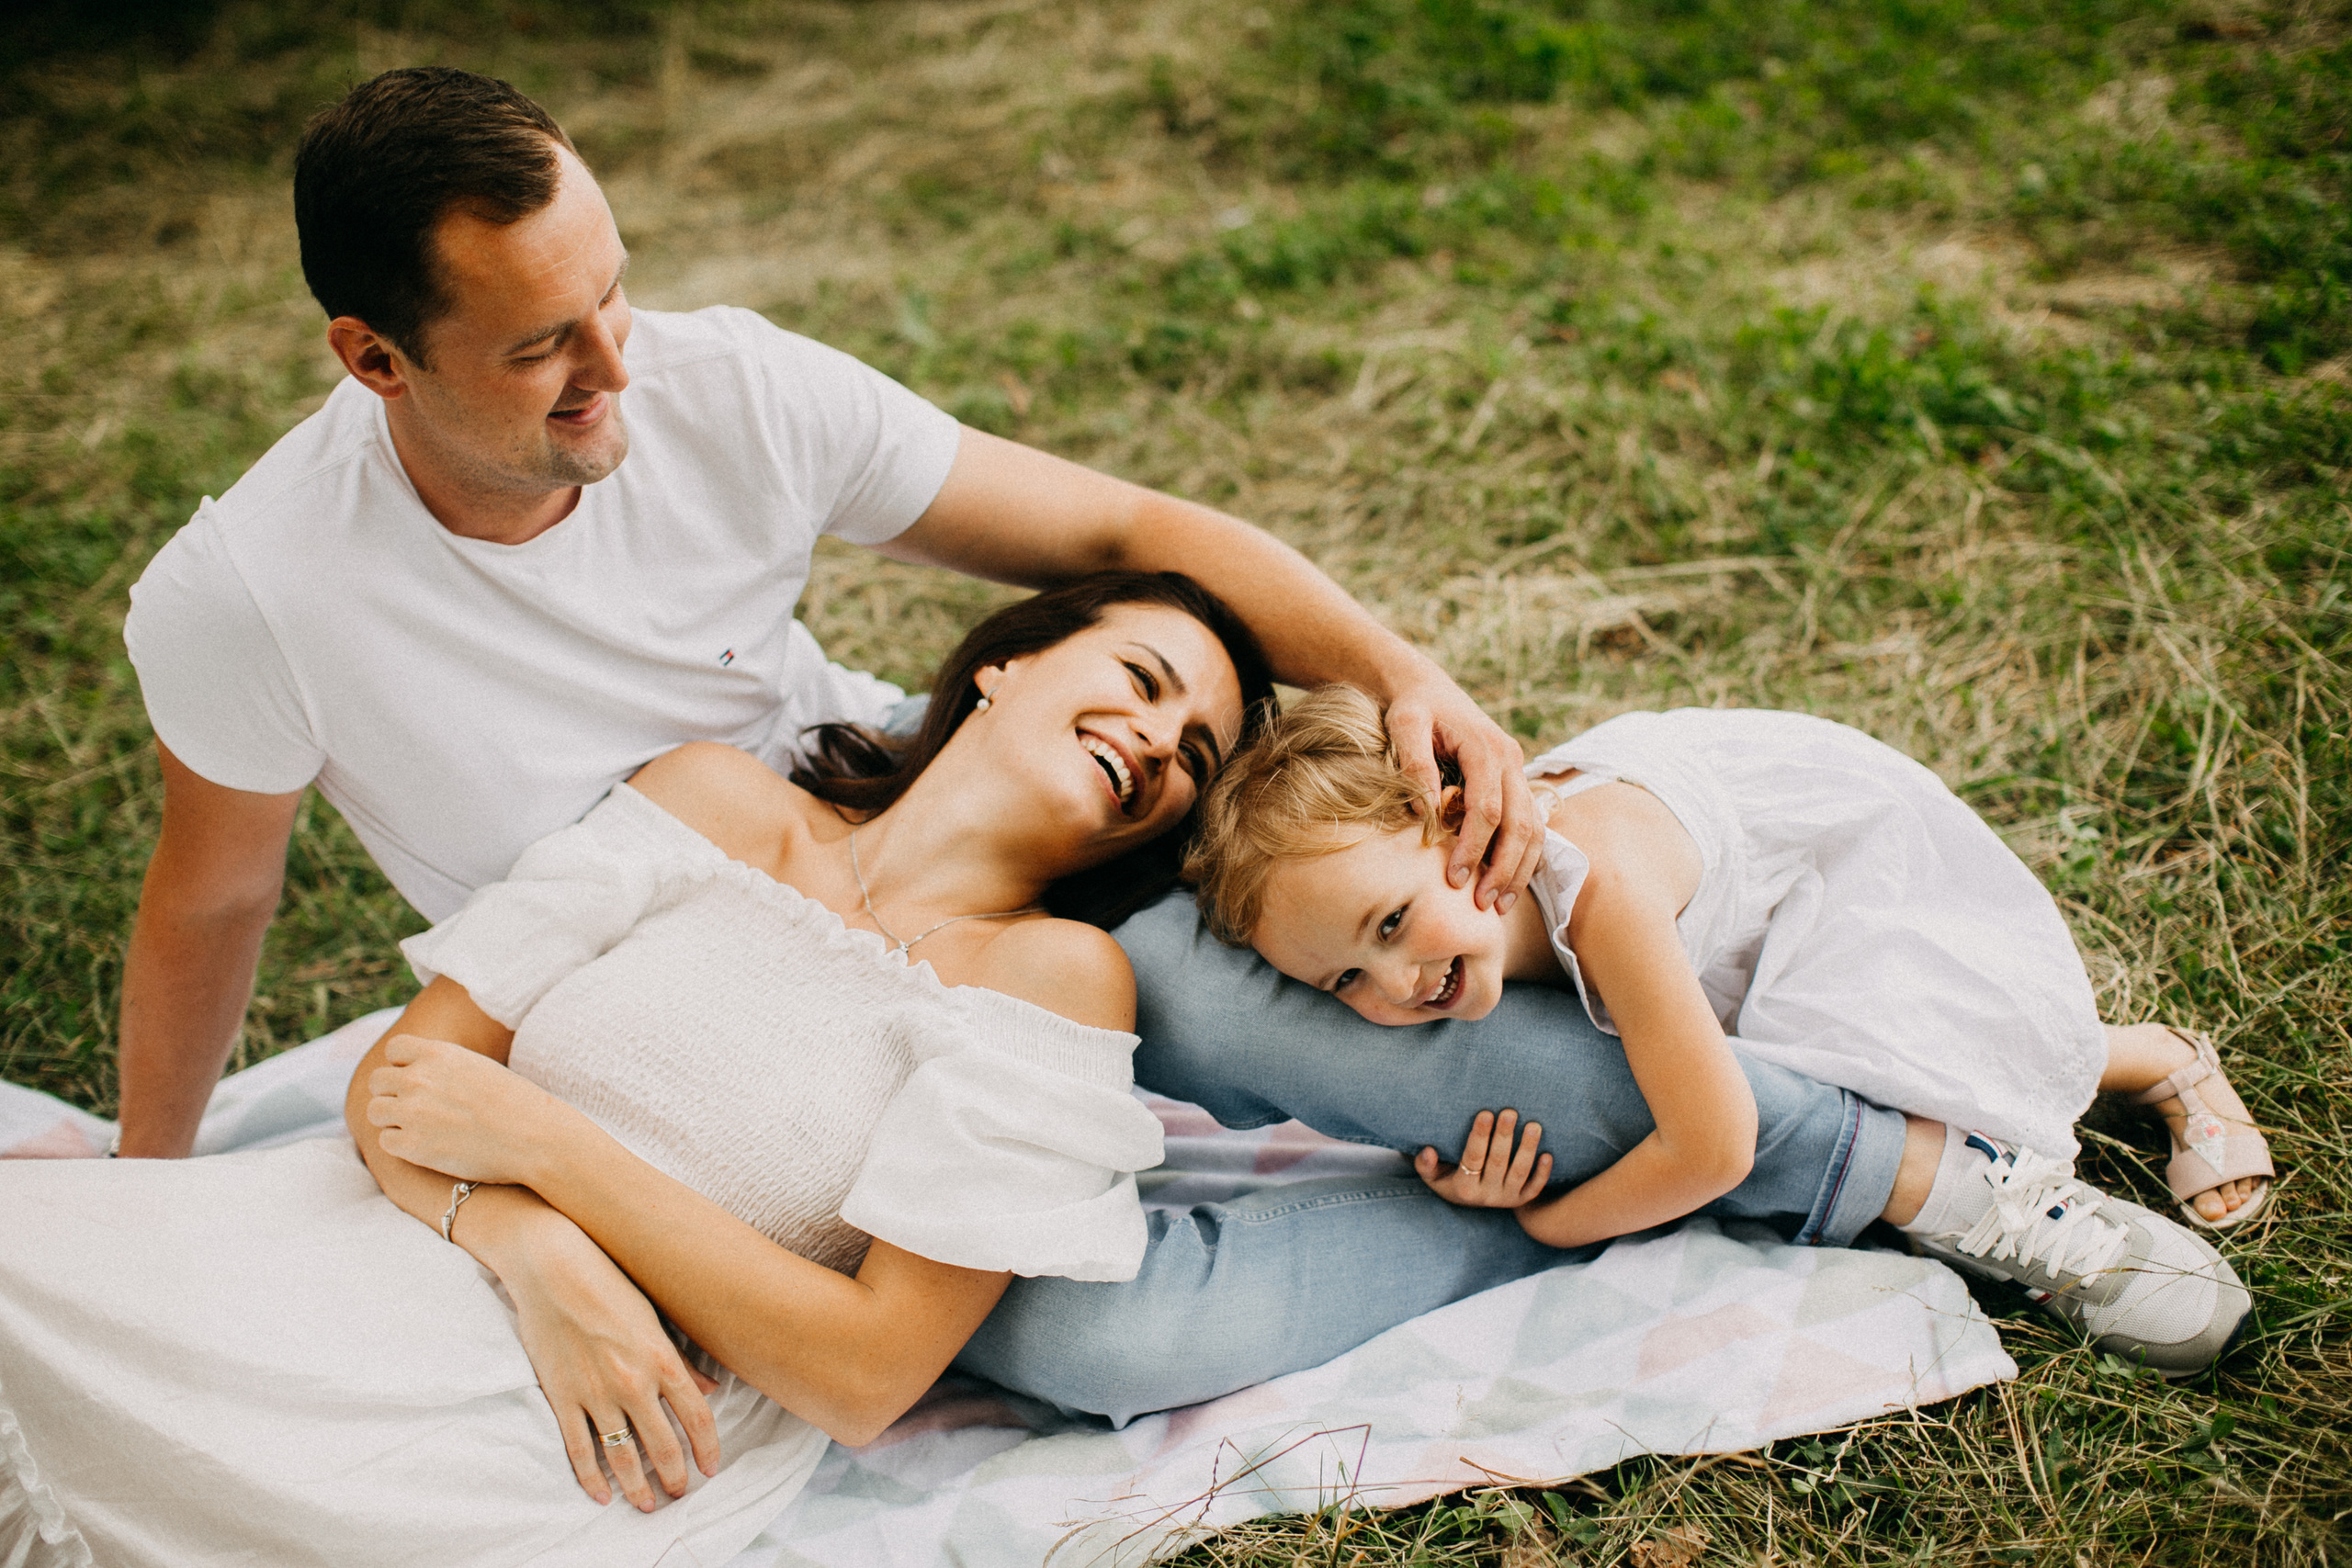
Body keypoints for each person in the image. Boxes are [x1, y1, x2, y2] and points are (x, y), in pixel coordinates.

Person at [115, 65, 1544, 1163]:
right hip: (670, 975)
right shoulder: (250, 593)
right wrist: (148, 1183)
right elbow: (214, 899)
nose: (618, 365)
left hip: (898, 791)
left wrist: (1399, 676)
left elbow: (1118, 532)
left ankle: (1640, 985)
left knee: (1325, 895)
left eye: (614, 294)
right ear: (375, 358)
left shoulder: (732, 386)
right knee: (1157, 1135)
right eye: (544, 345)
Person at [0, 575, 1270, 1568]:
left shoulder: (1050, 979)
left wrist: (547, 1147)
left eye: (1195, 755)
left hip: (582, 1412)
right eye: (1143, 680)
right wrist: (537, 1249)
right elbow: (404, 1081)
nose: (1159, 739)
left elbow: (867, 1372)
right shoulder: (712, 801)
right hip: (378, 1232)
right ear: (1008, 663)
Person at [1173, 686, 2267, 1375]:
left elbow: (1715, 1145)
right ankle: (2129, 1066)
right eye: (1343, 981)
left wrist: (1547, 1222)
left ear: (1462, 822)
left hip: (1834, 887)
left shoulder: (1600, 898)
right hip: (1729, 913)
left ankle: (2162, 1063)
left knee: (1895, 1058)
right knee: (1746, 1053)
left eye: (1390, 923)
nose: (1393, 986)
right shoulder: (1472, 924)